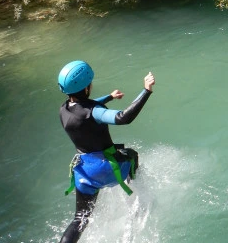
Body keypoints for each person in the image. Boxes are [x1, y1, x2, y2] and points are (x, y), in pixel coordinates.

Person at [57, 60, 155, 243]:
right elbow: (123, 117)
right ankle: (140, 199)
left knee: (80, 219)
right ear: (87, 87)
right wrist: (146, 90)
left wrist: (108, 97)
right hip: (106, 169)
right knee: (132, 155)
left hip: (84, 171)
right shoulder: (94, 111)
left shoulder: (63, 109)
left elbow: (83, 107)